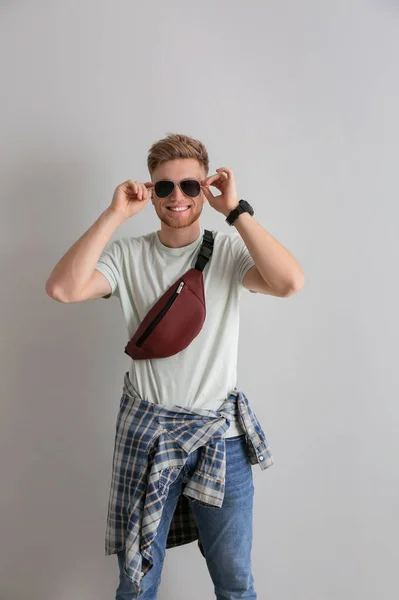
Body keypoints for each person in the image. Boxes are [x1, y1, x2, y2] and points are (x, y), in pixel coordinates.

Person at [45, 133, 304, 599]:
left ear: (204, 187)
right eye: (164, 188)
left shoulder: (226, 252)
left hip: (218, 437)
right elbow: (63, 289)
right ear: (151, 191)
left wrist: (236, 211)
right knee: (137, 581)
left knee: (235, 582)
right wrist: (114, 215)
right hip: (148, 436)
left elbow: (289, 282)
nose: (177, 197)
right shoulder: (129, 255)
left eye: (189, 185)